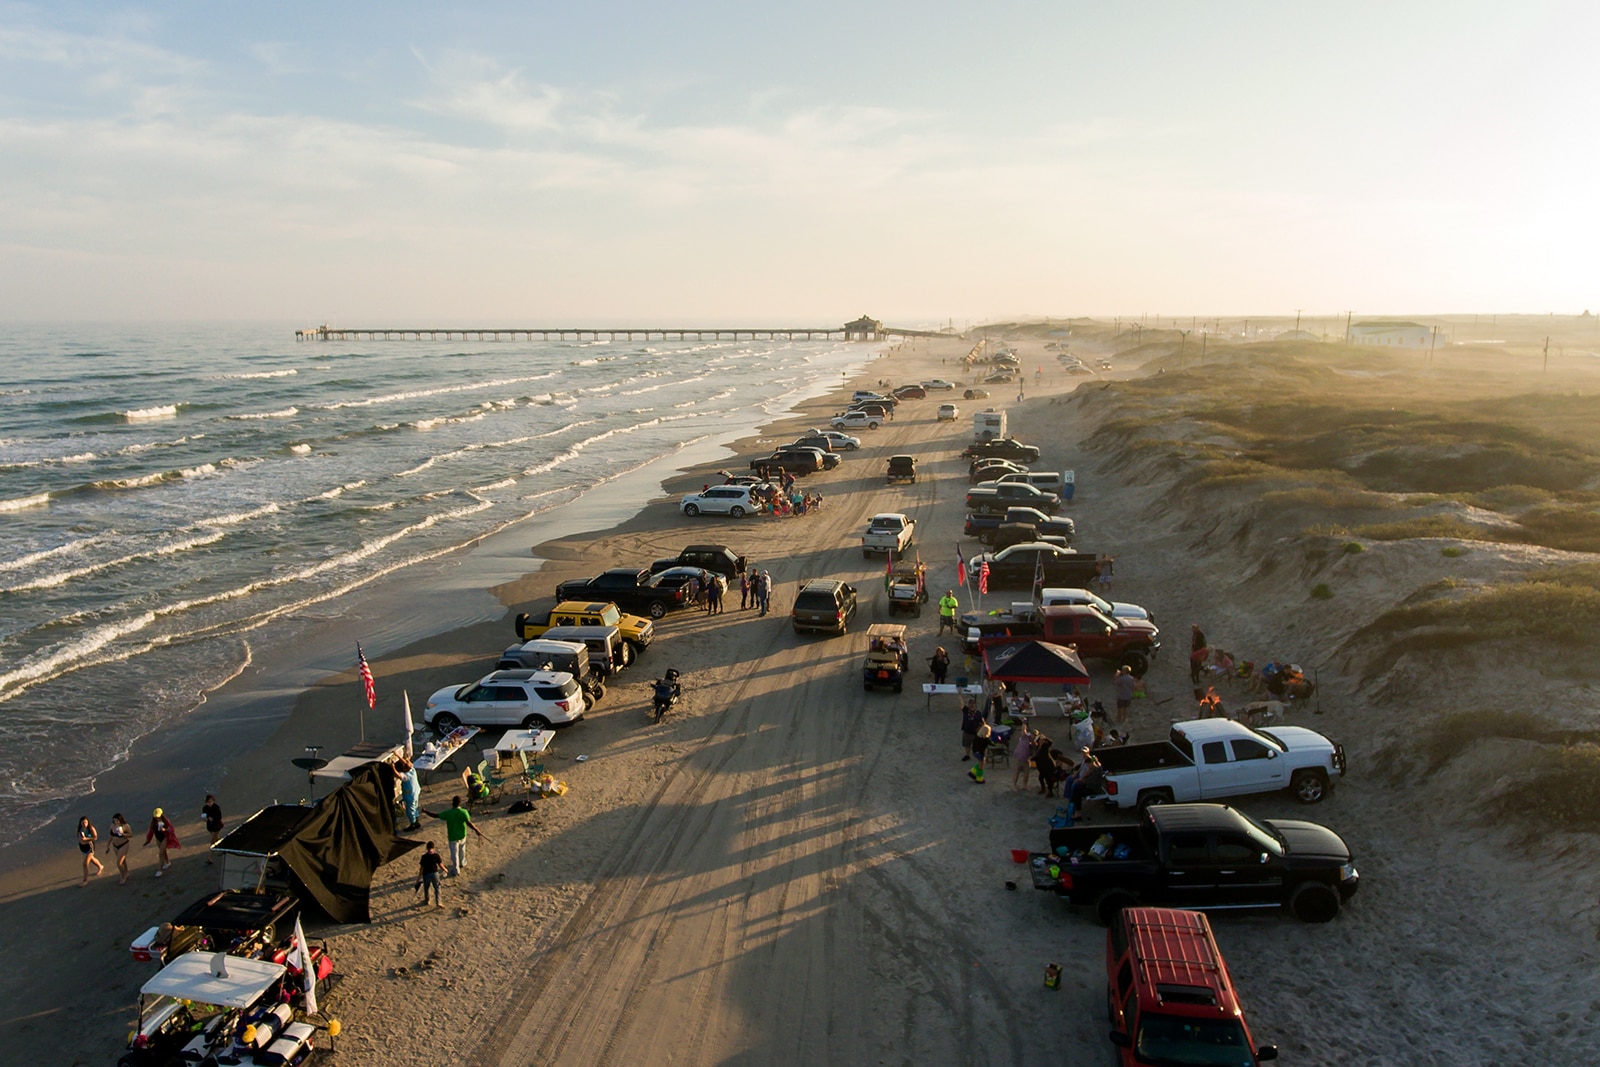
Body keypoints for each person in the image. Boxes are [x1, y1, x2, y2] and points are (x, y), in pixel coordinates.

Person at [424, 797, 483, 877]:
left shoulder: (449, 813)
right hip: (462, 835)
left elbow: (436, 815)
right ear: (459, 803)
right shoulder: (464, 812)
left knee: (454, 855)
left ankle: (456, 870)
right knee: (462, 850)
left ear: (452, 803)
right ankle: (462, 863)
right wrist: (477, 830)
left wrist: (425, 811)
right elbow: (469, 823)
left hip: (453, 837)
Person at [1067, 749, 1107, 822]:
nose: (1088, 767)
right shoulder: (1096, 768)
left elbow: (1092, 782)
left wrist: (1083, 781)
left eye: (1088, 765)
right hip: (1091, 786)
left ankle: (1077, 812)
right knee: (1076, 789)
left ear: (1091, 763)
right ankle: (1075, 809)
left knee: (1077, 792)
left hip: (1093, 789)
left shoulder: (1095, 770)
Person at [144, 808, 180, 877]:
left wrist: (165, 829)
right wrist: (148, 840)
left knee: (161, 853)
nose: (156, 817)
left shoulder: (165, 821)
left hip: (164, 837)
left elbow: (171, 829)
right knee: (163, 851)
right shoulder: (153, 822)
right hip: (158, 838)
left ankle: (160, 870)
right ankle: (167, 862)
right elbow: (150, 832)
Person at [395, 756, 422, 830]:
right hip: (415, 793)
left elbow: (397, 775)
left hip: (410, 796)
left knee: (410, 810)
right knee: (415, 807)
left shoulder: (406, 776)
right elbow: (407, 764)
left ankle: (413, 823)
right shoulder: (412, 770)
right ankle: (416, 820)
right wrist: (397, 756)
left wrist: (392, 767)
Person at [416, 842, 446, 908]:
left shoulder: (424, 857)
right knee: (437, 887)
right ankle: (438, 902)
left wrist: (419, 878)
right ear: (433, 847)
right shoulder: (436, 855)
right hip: (435, 873)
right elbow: (440, 864)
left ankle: (427, 900)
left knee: (426, 888)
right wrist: (445, 869)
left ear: (427, 848)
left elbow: (422, 868)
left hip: (426, 874)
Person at [76, 816, 104, 885]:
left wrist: (86, 839)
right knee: (91, 859)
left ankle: (85, 880)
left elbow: (95, 837)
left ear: (88, 822)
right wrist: (82, 840)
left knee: (85, 863)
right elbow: (79, 839)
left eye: (85, 822)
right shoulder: (79, 829)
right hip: (82, 847)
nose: (84, 824)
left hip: (89, 847)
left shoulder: (91, 828)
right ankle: (100, 866)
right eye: (82, 823)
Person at [108, 812, 132, 884]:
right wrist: (107, 845)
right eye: (114, 820)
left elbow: (131, 834)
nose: (115, 822)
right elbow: (110, 836)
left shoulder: (125, 826)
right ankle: (126, 872)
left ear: (120, 820)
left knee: (119, 862)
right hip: (115, 846)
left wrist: (123, 834)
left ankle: (123, 876)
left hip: (124, 844)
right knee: (123, 860)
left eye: (117, 820)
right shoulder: (112, 826)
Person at [1010, 722, 1035, 791]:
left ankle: (1024, 785)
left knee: (1026, 772)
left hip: (1026, 759)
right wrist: (1024, 723)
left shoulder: (1034, 743)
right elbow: (1023, 730)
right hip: (1018, 757)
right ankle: (1014, 785)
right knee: (1017, 772)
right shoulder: (1025, 737)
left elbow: (1033, 750)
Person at [201, 794, 224, 863]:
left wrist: (213, 819)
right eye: (208, 802)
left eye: (211, 801)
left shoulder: (216, 807)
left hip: (217, 826)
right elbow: (204, 816)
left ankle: (210, 858)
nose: (210, 803)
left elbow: (219, 817)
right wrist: (206, 818)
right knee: (216, 839)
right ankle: (223, 848)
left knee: (212, 842)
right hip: (210, 827)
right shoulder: (205, 808)